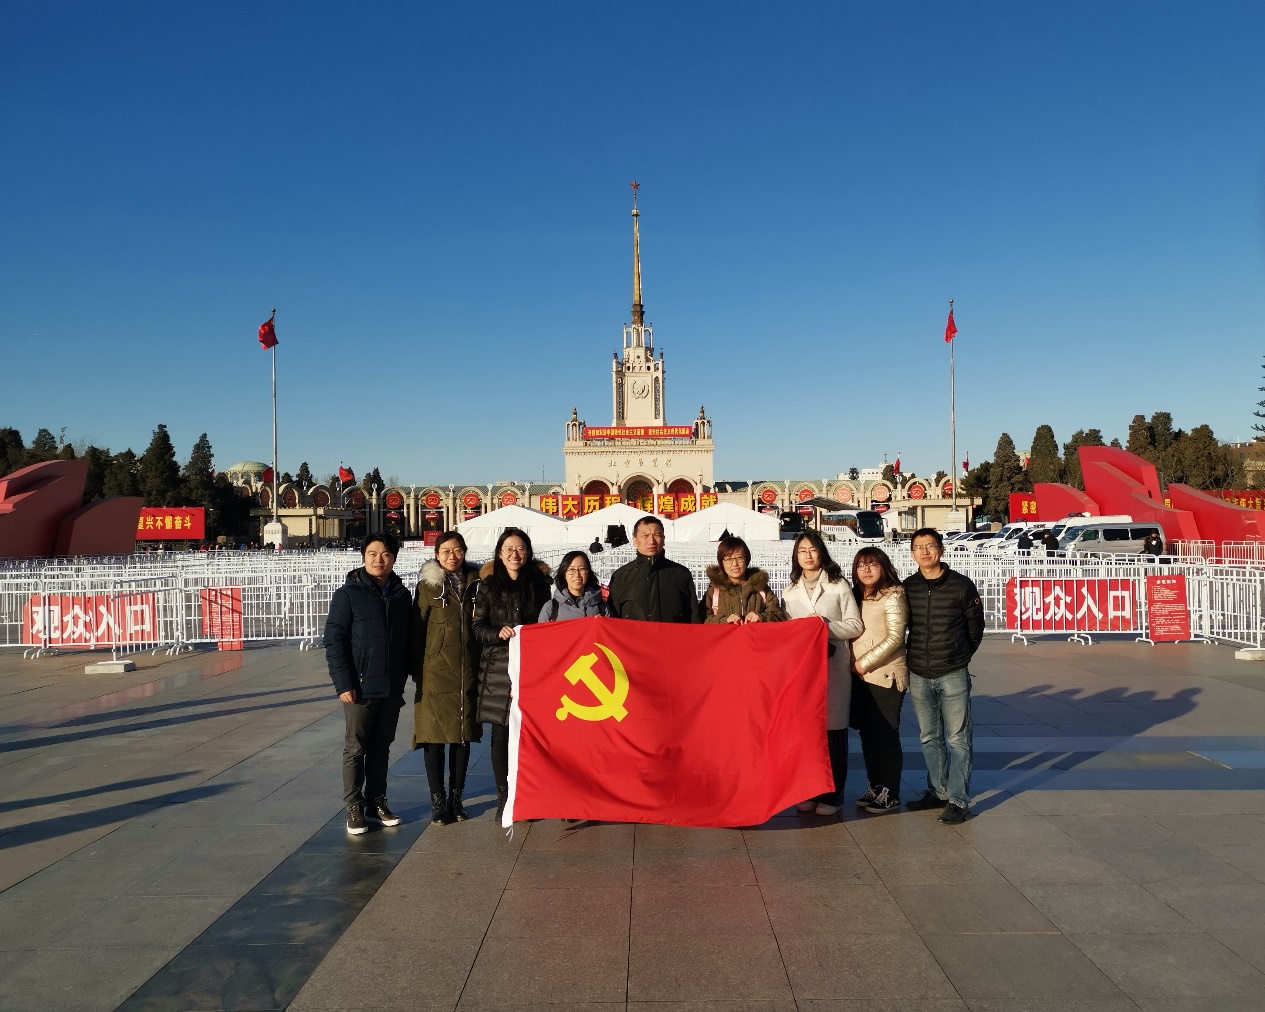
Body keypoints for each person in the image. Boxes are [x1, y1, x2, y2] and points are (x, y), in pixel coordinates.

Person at [325, 532, 411, 835]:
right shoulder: (348, 594)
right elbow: (334, 641)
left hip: (391, 685)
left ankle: (376, 801)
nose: (379, 559)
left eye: (385, 554)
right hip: (360, 687)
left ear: (394, 558)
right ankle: (354, 806)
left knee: (382, 747)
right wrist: (343, 683)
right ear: (363, 557)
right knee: (356, 747)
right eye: (373, 553)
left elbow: (407, 639)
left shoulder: (401, 595)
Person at [903, 528, 985, 825]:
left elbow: (975, 627)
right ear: (912, 553)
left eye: (930, 546)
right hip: (919, 673)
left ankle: (958, 800)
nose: (925, 551)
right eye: (919, 547)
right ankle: (938, 791)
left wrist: (959, 656)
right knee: (929, 737)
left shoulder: (961, 586)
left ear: (941, 549)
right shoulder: (908, 587)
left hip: (952, 672)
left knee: (958, 739)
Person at [781, 530, 863, 815]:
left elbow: (855, 625)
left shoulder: (838, 586)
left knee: (833, 733)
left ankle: (833, 795)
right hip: (804, 669)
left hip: (834, 668)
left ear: (822, 553)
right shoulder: (790, 592)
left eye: (812, 550)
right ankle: (810, 791)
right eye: (802, 551)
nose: (807, 555)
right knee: (808, 733)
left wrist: (824, 627)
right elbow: (787, 632)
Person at [472, 527, 552, 819]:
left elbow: (549, 623)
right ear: (499, 553)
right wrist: (497, 633)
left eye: (520, 549)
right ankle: (504, 796)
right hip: (498, 669)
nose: (514, 554)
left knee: (529, 734)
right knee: (501, 735)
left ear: (528, 552)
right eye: (508, 549)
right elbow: (477, 627)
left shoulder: (541, 585)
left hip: (532, 668)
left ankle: (527, 793)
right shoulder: (488, 586)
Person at [409, 531, 482, 827]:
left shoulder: (477, 583)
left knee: (462, 737)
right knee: (434, 736)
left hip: (467, 670)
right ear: (437, 555)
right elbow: (416, 630)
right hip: (435, 672)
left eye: (457, 550)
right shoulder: (429, 586)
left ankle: (456, 798)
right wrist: (417, 670)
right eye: (446, 551)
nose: (452, 556)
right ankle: (438, 801)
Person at [849, 547, 909, 814]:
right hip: (860, 676)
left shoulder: (893, 595)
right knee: (868, 734)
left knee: (885, 734)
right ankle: (875, 786)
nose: (867, 569)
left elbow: (895, 637)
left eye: (873, 564)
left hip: (885, 675)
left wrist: (864, 662)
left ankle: (890, 792)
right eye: (861, 565)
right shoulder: (856, 595)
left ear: (883, 567)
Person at [606, 516, 699, 623]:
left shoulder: (681, 574)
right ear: (635, 540)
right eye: (645, 536)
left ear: (663, 539)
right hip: (634, 634)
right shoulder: (621, 576)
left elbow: (694, 616)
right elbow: (612, 619)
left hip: (672, 634)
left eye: (657, 535)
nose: (651, 541)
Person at [701, 535, 787, 624]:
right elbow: (702, 619)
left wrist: (761, 617)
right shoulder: (714, 591)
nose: (735, 564)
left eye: (739, 558)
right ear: (722, 562)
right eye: (728, 559)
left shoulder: (761, 589)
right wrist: (724, 620)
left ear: (746, 559)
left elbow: (779, 616)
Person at [540, 550, 608, 621]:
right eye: (571, 570)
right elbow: (542, 628)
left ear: (588, 573)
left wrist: (603, 623)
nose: (577, 575)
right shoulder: (551, 609)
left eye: (582, 569)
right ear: (564, 574)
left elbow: (610, 628)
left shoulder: (602, 607)